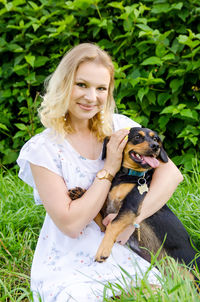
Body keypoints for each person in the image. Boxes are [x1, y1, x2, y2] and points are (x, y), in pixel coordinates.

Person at [17, 43, 183, 302]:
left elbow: (171, 175)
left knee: (154, 293)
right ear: (63, 84)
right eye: (81, 85)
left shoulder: (120, 127)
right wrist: (108, 169)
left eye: (101, 88)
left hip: (123, 245)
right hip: (70, 254)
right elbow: (71, 224)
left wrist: (131, 221)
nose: (91, 97)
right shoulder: (43, 149)